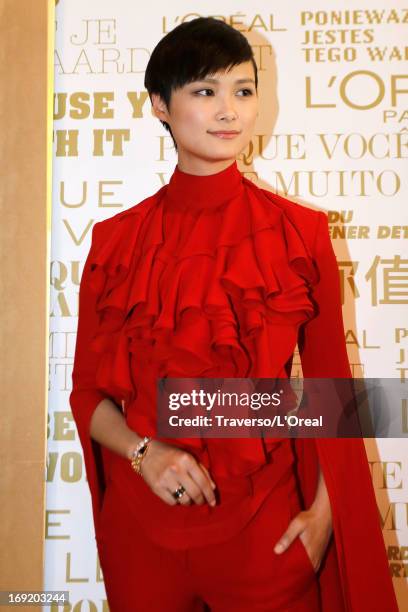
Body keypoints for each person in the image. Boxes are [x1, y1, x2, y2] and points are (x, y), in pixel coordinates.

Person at [70, 17, 399, 612]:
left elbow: (331, 390)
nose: (229, 111)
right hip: (140, 538)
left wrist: (324, 517)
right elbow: (86, 395)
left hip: (266, 536)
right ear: (160, 107)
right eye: (205, 91)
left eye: (243, 91)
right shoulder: (115, 241)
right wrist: (146, 454)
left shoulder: (302, 234)